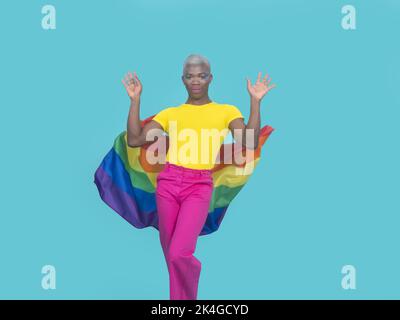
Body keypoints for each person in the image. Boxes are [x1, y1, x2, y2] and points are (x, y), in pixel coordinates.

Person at [100, 54, 276, 300]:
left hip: (199, 186)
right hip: (168, 184)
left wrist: (255, 102)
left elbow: (248, 141)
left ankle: (190, 288)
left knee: (179, 254)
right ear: (183, 80)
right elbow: (135, 139)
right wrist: (135, 100)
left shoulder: (226, 111)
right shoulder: (171, 114)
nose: (196, 81)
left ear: (210, 78)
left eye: (202, 76)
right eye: (190, 76)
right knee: (170, 258)